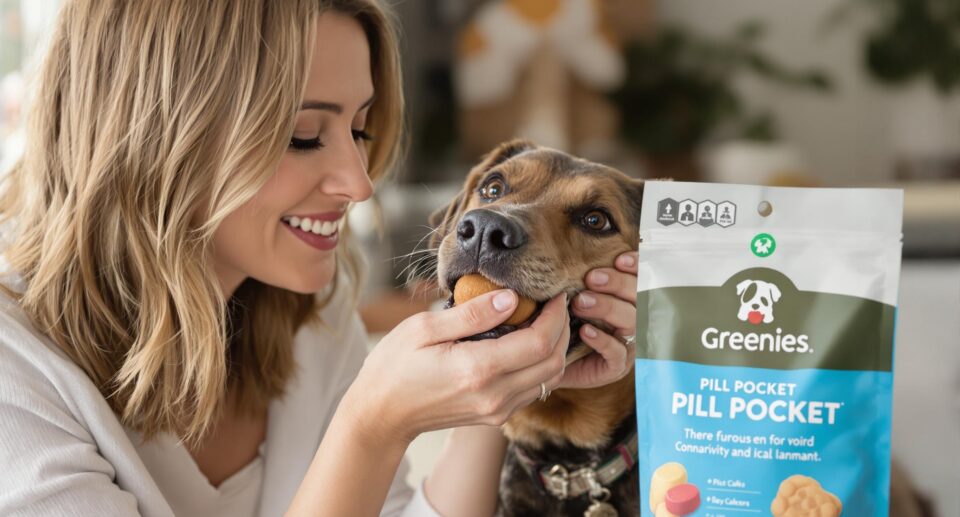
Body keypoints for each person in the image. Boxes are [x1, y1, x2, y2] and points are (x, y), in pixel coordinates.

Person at [0, 1, 638, 516]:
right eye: (303, 136)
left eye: (359, 130)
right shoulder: (15, 368)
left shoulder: (314, 314)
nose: (359, 182)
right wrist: (371, 425)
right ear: (154, 136)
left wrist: (494, 382)